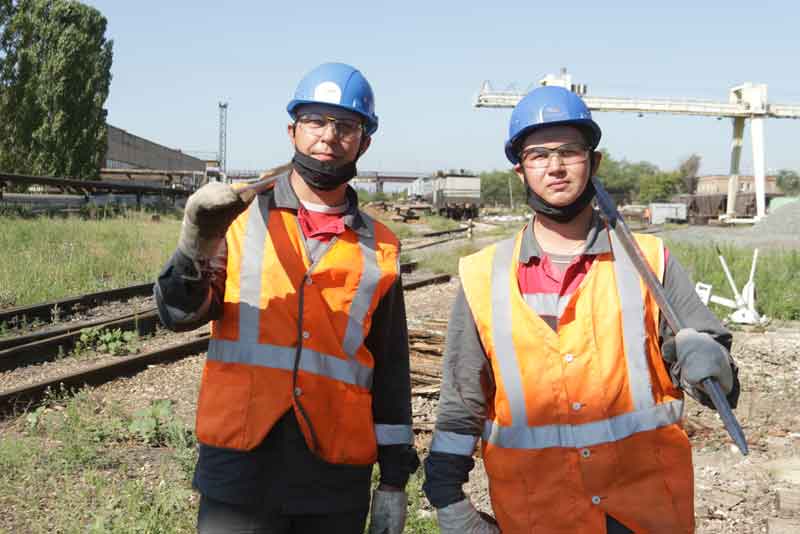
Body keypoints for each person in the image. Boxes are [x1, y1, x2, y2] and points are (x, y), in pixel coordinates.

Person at [422, 85, 739, 534]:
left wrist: (710, 364)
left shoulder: (649, 261)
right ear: (520, 170)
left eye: (569, 151)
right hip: (539, 515)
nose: (554, 167)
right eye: (538, 155)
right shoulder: (482, 276)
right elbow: (460, 403)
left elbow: (712, 377)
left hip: (644, 512)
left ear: (594, 161)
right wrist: (446, 496)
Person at [155, 62, 419, 534]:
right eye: (316, 121)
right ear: (293, 131)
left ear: (365, 141)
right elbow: (178, 314)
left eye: (346, 125)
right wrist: (194, 243)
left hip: (334, 474)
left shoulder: (381, 247)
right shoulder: (236, 218)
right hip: (240, 465)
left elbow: (391, 368)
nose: (329, 135)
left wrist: (395, 479)